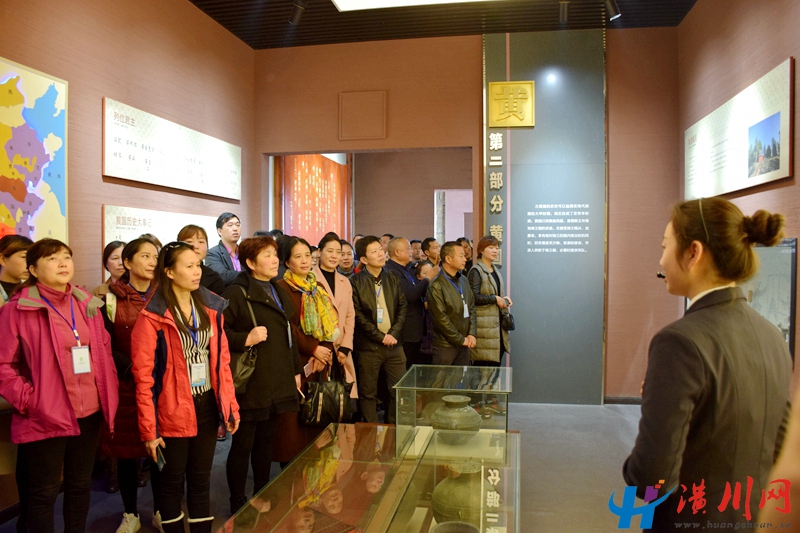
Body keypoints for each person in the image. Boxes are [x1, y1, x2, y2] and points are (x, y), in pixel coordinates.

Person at [622, 198, 791, 531]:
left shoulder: (678, 342)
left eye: (665, 247)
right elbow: (779, 445)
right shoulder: (772, 336)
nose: (661, 260)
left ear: (693, 253)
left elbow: (652, 477)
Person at [0, 239, 119, 533]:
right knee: (44, 492)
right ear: (33, 269)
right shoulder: (18, 309)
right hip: (45, 413)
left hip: (89, 410)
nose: (63, 263)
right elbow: (4, 365)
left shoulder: (85, 303)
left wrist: (107, 390)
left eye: (66, 256)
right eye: (52, 258)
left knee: (79, 485)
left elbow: (104, 349)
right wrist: (30, 399)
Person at [131, 241, 240, 533]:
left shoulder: (210, 307)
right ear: (169, 272)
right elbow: (143, 379)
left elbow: (222, 364)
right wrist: (149, 430)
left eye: (198, 265)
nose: (196, 272)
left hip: (206, 404)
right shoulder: (152, 316)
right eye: (189, 266)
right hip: (171, 410)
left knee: (201, 480)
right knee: (171, 483)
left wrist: (230, 406)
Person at [223, 236, 302, 515]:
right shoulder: (237, 293)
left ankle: (261, 489)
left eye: (274, 254)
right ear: (250, 263)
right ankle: (237, 500)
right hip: (252, 381)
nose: (274, 260)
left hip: (278, 377)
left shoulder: (277, 289)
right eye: (267, 255)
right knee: (243, 443)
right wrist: (246, 338)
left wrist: (295, 371)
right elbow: (219, 334)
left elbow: (289, 335)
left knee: (266, 441)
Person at [100, 238, 158, 533]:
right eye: (144, 256)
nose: (152, 262)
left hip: (160, 384)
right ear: (128, 262)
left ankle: (161, 510)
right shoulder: (110, 299)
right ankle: (131, 513)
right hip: (126, 384)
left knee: (161, 450)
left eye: (155, 256)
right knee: (126, 452)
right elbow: (105, 343)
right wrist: (132, 369)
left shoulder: (165, 295)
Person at [273, 237, 341, 464]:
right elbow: (287, 327)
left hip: (319, 363)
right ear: (287, 262)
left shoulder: (317, 287)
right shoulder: (281, 288)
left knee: (318, 416)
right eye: (298, 256)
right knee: (294, 424)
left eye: (307, 256)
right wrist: (313, 349)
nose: (304, 261)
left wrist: (325, 350)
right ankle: (291, 474)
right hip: (296, 362)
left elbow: (331, 323)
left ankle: (315, 469)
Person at [350, 235, 407, 423]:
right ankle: (370, 431)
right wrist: (380, 336)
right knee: (368, 392)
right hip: (369, 346)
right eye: (374, 252)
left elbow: (402, 307)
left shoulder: (393, 277)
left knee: (398, 390)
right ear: (364, 259)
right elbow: (357, 315)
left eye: (380, 250)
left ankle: (393, 428)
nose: (381, 254)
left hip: (394, 344)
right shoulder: (355, 282)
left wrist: (393, 334)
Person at [312, 234, 358, 409]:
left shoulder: (344, 281)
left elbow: (350, 316)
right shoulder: (310, 279)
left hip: (341, 349)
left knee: (343, 402)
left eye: (338, 252)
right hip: (319, 350)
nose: (334, 256)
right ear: (319, 252)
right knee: (320, 403)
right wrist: (319, 348)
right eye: (330, 251)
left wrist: (346, 346)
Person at [384, 237, 438, 368]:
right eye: (408, 248)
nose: (411, 252)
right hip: (405, 331)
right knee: (404, 368)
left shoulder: (406, 269)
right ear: (397, 252)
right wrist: (428, 278)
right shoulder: (392, 271)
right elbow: (410, 295)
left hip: (414, 330)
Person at [427, 241, 476, 366]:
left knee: (463, 377)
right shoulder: (437, 285)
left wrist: (471, 334)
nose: (465, 259)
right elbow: (440, 319)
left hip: (464, 342)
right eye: (461, 256)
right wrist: (460, 339)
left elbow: (471, 308)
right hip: (445, 345)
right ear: (448, 259)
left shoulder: (463, 280)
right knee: (443, 378)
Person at [467, 235, 511, 367]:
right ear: (481, 250)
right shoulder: (476, 271)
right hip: (483, 329)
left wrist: (503, 299)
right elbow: (474, 298)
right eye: (491, 247)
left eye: (496, 248)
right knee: (483, 369)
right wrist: (495, 299)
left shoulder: (495, 270)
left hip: (497, 328)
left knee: (495, 370)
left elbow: (494, 293)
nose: (495, 251)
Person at [178, 225, 225, 295]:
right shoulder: (171, 273)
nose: (195, 246)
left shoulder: (214, 278)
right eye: (189, 241)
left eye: (201, 242)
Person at [205, 212, 242, 287]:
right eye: (230, 225)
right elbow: (222, 276)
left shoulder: (245, 252)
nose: (235, 229)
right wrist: (249, 275)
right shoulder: (212, 253)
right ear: (220, 231)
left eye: (238, 225)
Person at [0, 235, 33, 305]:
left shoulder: (33, 292)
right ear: (2, 259)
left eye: (32, 258)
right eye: (24, 257)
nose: (30, 263)